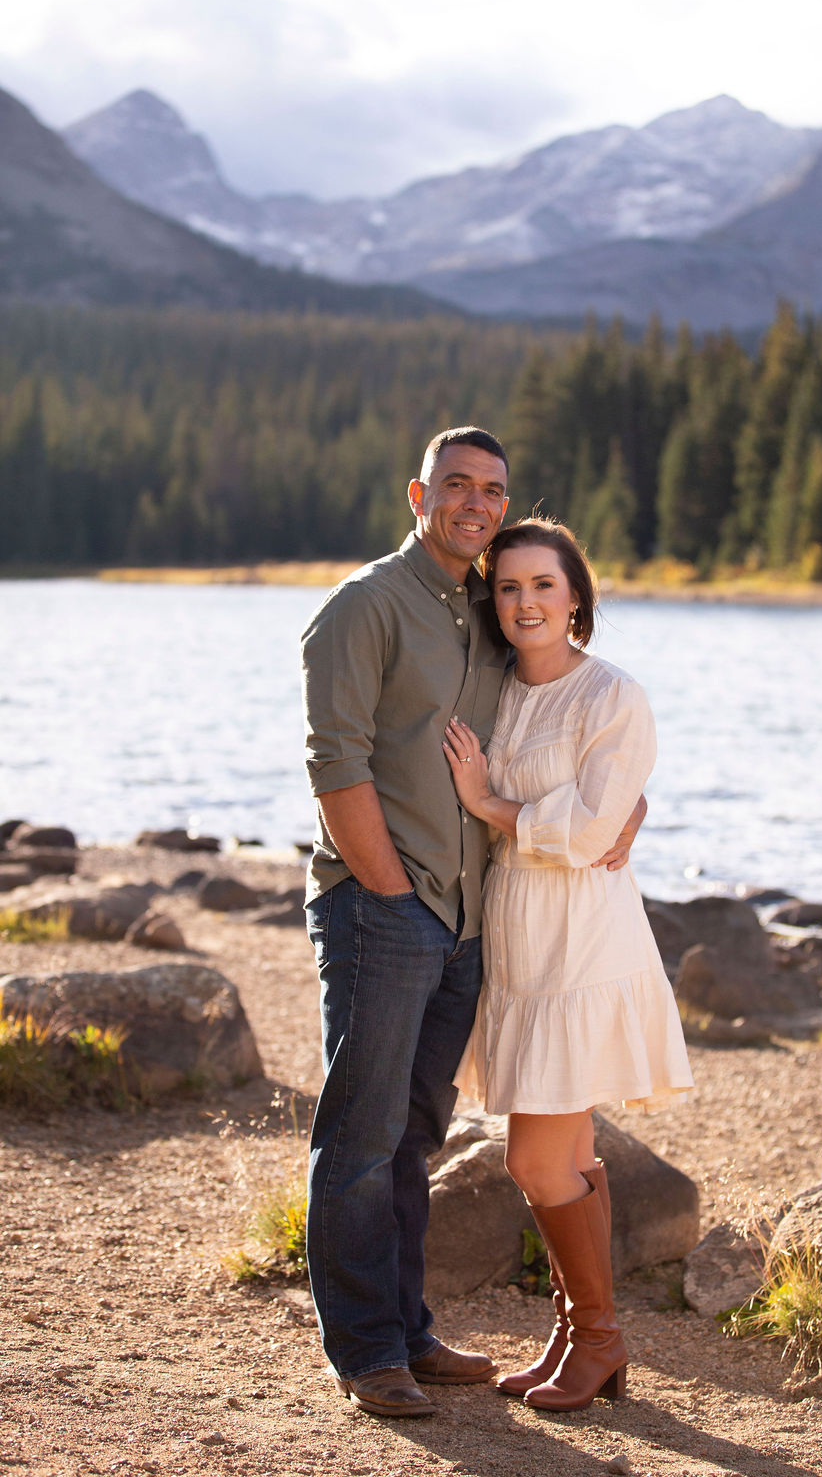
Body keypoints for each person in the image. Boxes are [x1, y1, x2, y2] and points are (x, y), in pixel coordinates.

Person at [300, 431, 644, 1420]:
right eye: (456, 485)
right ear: (419, 492)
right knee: (362, 1135)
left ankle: (408, 1331)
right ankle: (367, 1353)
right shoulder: (364, 605)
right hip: (387, 907)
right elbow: (336, 763)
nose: (475, 503)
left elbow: (571, 733)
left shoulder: (491, 613)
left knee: (414, 1131)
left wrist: (630, 809)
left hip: (469, 921)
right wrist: (391, 894)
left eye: (492, 490)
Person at [442, 516, 693, 1413]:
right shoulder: (492, 689)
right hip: (513, 935)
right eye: (507, 588)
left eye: (543, 585)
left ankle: (599, 1340)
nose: (524, 603)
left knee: (536, 1163)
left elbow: (590, 833)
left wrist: (492, 803)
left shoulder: (612, 694)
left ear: (576, 594)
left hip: (582, 940)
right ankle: (583, 1340)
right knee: (570, 1154)